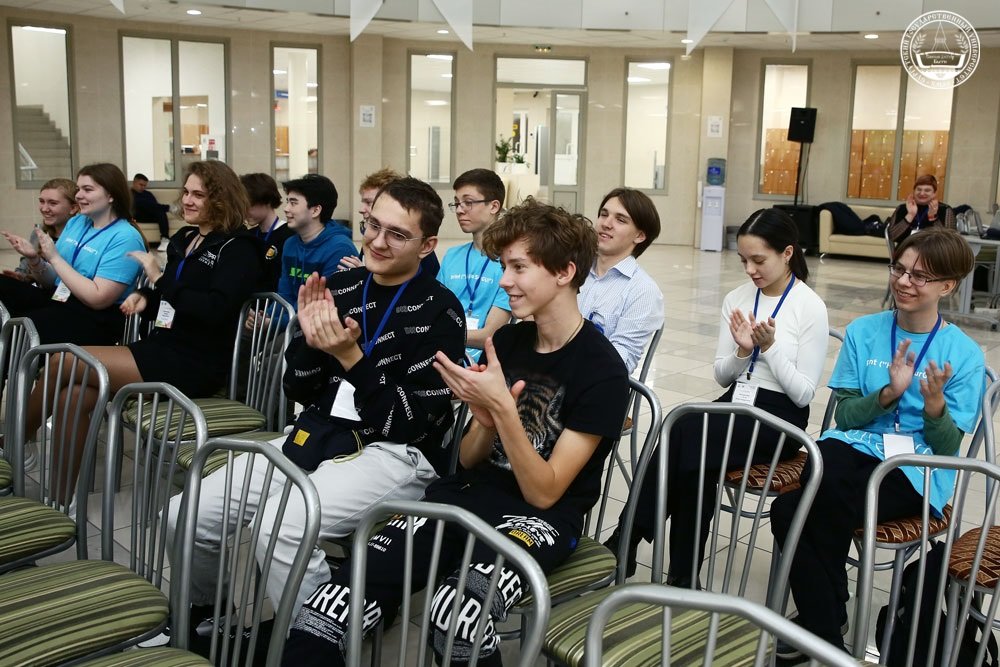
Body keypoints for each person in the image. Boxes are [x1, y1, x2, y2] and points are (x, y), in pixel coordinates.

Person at [282, 198, 630, 667]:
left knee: (456, 615)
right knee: (326, 608)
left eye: (519, 267)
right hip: (466, 495)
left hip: (540, 521)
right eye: (504, 266)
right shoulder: (509, 340)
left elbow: (545, 493)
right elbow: (467, 460)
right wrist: (485, 421)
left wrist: (504, 411)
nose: (504, 281)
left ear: (565, 272)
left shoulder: (602, 370)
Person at [164, 176, 466, 643]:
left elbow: (406, 424)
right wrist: (308, 342)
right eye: (373, 225)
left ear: (427, 246)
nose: (377, 242)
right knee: (185, 512)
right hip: (317, 433)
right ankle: (209, 612)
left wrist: (350, 357)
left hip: (395, 452)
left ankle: (315, 642)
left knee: (281, 527)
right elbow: (299, 387)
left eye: (397, 234)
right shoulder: (341, 286)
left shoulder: (440, 312)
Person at [770, 227, 984, 658]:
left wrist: (935, 406)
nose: (904, 282)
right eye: (898, 269)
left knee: (790, 509)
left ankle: (825, 625)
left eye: (919, 276)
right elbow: (846, 416)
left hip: (915, 470)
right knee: (826, 462)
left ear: (947, 286)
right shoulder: (864, 331)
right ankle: (829, 631)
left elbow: (947, 449)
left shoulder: (964, 354)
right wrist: (887, 393)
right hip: (854, 448)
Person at [606, 208, 829, 583]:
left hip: (779, 416)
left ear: (787, 253)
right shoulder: (738, 298)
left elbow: (803, 394)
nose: (750, 270)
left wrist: (770, 349)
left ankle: (628, 538)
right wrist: (743, 352)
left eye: (759, 260)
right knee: (689, 444)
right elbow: (722, 375)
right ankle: (680, 575)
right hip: (737, 400)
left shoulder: (810, 307)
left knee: (685, 433)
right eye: (743, 261)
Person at [25, 160, 263, 505]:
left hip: (196, 362)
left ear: (221, 199)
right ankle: (62, 501)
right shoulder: (186, 238)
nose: (188, 200)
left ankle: (16, 439)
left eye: (199, 194)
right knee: (71, 397)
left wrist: (159, 279)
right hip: (163, 346)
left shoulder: (239, 248)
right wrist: (145, 300)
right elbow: (174, 300)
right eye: (186, 192)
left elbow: (213, 310)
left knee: (63, 361)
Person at [0, 163, 145, 345]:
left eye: (87, 189)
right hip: (60, 298)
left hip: (96, 317)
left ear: (111, 196)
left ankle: (15, 358)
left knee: (24, 328)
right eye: (78, 189)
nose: (78, 195)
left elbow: (98, 299)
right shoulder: (77, 222)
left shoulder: (126, 238)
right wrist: (34, 259)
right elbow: (53, 280)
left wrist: (54, 258)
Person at [578, 187, 664, 374]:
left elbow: (622, 359)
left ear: (640, 236)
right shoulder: (573, 269)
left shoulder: (643, 290)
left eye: (620, 220)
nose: (606, 224)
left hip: (594, 380)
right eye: (604, 214)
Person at [438, 168, 511, 362]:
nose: (459, 210)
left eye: (468, 202)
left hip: (482, 364)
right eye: (457, 203)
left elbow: (491, 334)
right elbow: (435, 312)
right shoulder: (451, 256)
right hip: (443, 357)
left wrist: (439, 336)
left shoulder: (509, 263)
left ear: (494, 206)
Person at [276, 174, 358, 311]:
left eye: (293, 203)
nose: (286, 208)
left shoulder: (339, 249)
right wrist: (267, 317)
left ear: (315, 210)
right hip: (292, 320)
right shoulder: (290, 244)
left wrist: (279, 321)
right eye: (287, 202)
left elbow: (325, 305)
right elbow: (284, 295)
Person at [340, 168, 440, 274]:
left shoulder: (417, 248)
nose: (361, 209)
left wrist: (364, 273)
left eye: (369, 203)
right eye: (374, 226)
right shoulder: (371, 236)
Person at [2, 178, 78, 291]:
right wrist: (19, 277)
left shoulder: (80, 237)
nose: (44, 209)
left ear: (73, 208)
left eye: (53, 203)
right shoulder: (39, 232)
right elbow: (25, 269)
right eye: (42, 201)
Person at [241, 172, 294, 291]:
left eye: (249, 205)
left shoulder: (289, 235)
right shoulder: (248, 235)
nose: (244, 212)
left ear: (267, 201)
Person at [887, 174, 956, 244]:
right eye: (919, 189)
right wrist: (910, 215)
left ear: (934, 193)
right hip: (906, 248)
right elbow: (892, 236)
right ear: (914, 191)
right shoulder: (902, 208)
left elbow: (949, 240)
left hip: (933, 250)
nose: (922, 193)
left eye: (927, 190)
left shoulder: (945, 210)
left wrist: (932, 218)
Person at [131, 173, 171, 250]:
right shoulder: (130, 194)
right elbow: (141, 204)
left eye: (144, 185)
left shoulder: (148, 194)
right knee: (144, 203)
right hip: (137, 216)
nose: (143, 187)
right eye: (141, 185)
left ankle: (165, 239)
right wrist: (168, 207)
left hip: (149, 215)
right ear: (134, 182)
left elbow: (155, 206)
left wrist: (159, 208)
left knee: (160, 212)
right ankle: (168, 208)